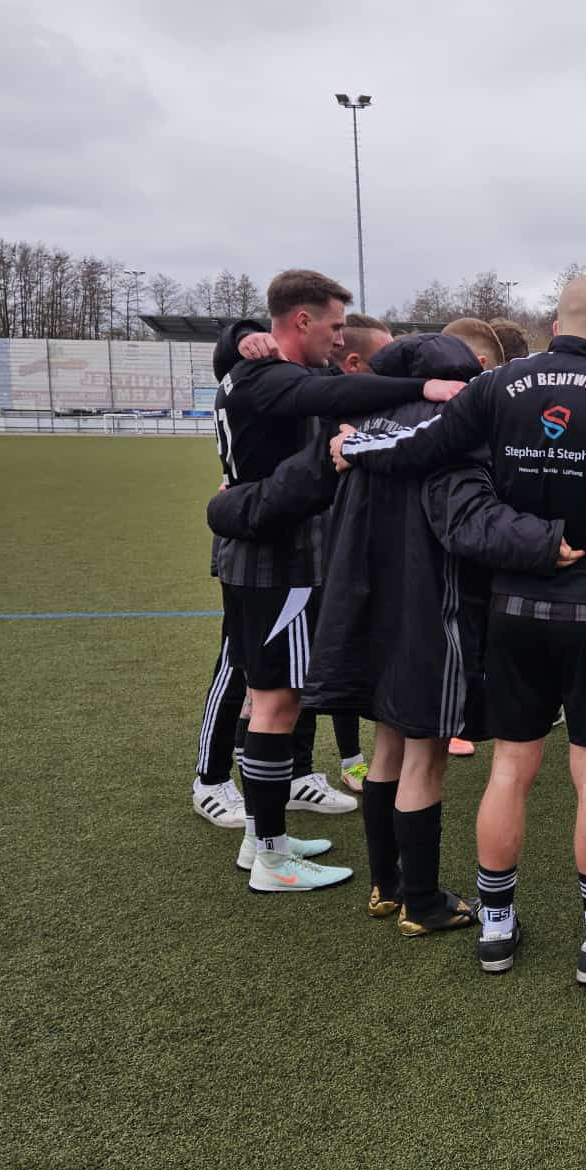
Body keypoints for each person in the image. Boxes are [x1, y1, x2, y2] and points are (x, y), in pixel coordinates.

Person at [332, 275, 586, 983]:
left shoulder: (499, 385)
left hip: (513, 610)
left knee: (509, 769)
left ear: (555, 323)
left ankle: (496, 929)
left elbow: (425, 446)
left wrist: (358, 448)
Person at [307, 322, 581, 934]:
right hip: (427, 609)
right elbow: (467, 522)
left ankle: (386, 885)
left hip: (367, 611)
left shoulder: (365, 426)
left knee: (387, 746)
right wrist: (547, 541)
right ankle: (423, 902)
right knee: (423, 756)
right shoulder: (447, 428)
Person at [214, 268, 439, 892]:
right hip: (275, 561)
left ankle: (261, 840)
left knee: (268, 698)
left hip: (255, 556)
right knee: (276, 703)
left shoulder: (248, 367)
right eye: (334, 327)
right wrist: (424, 387)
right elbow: (333, 398)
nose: (340, 341)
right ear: (302, 320)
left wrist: (238, 334)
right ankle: (271, 857)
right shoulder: (268, 378)